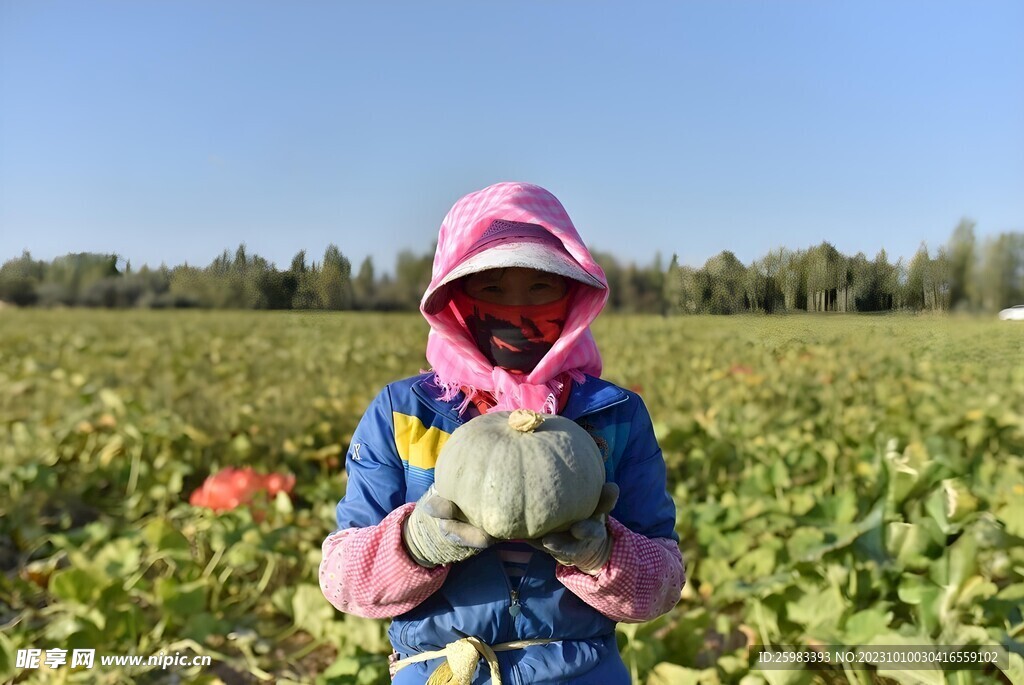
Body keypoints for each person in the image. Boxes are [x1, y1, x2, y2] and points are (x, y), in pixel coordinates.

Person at [319, 182, 684, 684]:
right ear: (454, 300)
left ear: (574, 295)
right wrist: (415, 544)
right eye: (491, 289)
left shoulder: (615, 415)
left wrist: (605, 555)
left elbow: (663, 584)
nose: (518, 309)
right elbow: (341, 580)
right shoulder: (402, 413)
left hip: (581, 672)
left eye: (541, 287)